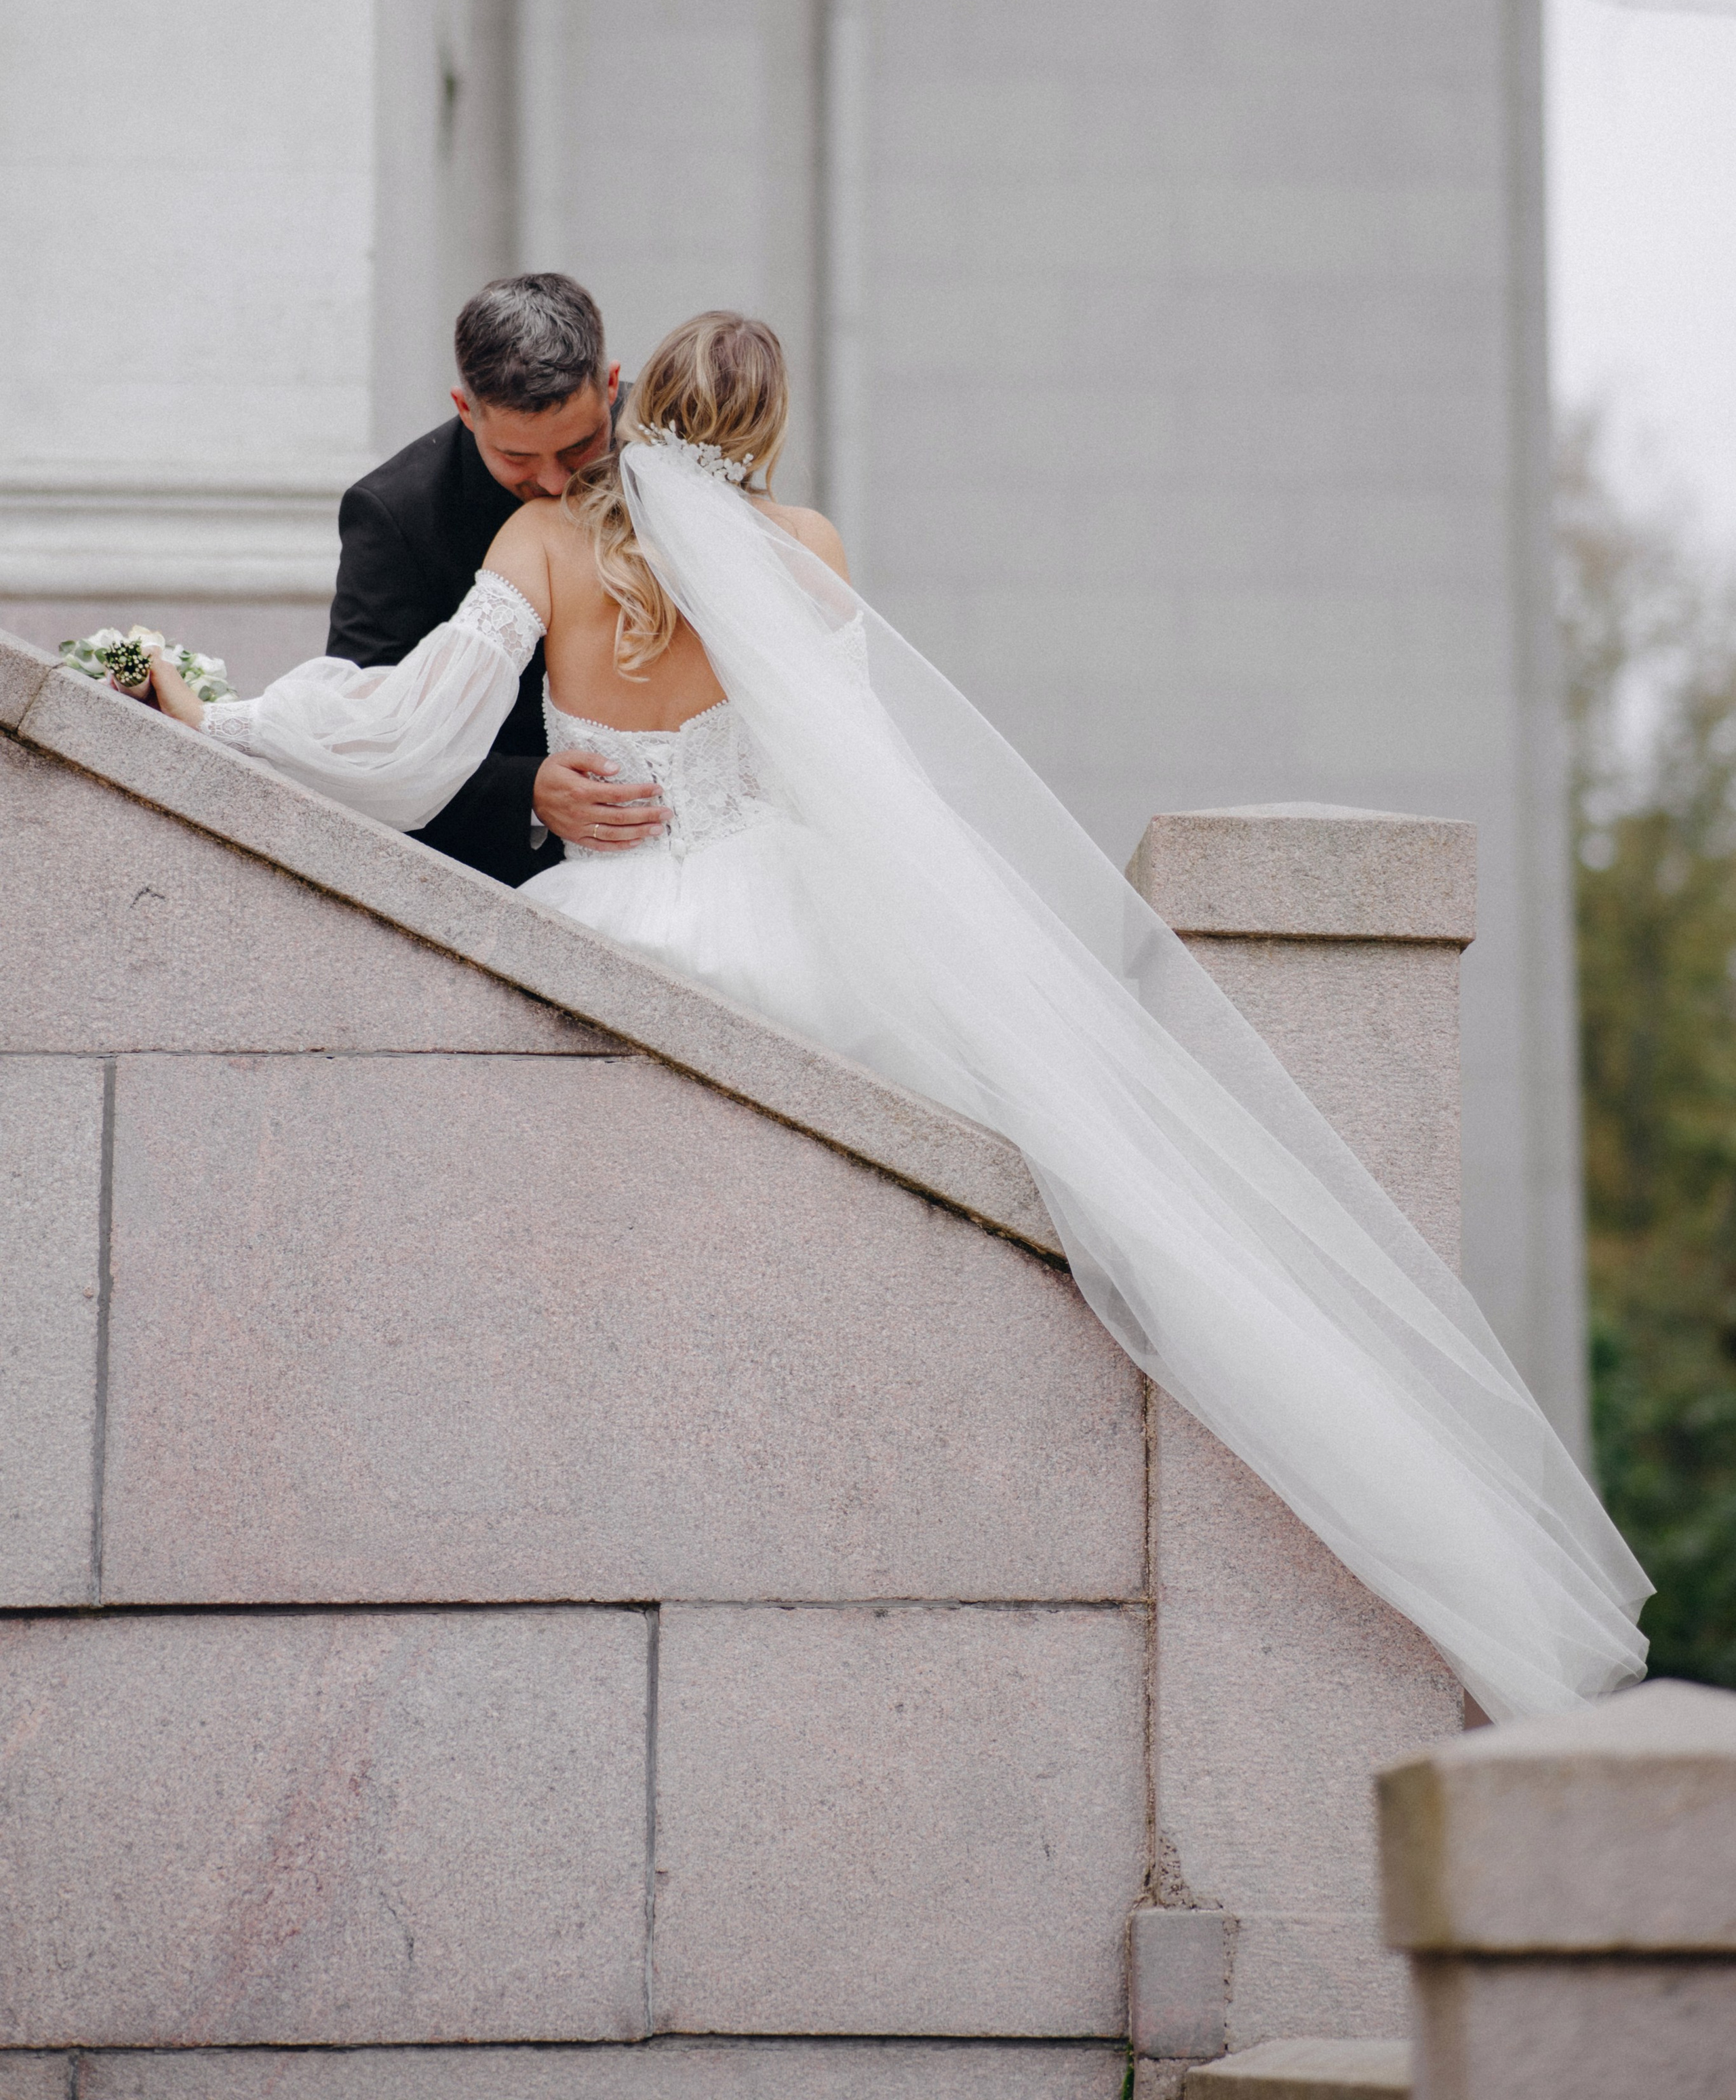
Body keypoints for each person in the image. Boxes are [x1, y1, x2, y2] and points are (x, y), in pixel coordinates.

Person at [135, 311, 1651, 1723]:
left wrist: (230, 725)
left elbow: (404, 723)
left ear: (625, 409)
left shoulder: (537, 540)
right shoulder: (802, 552)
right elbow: (844, 774)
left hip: (613, 912)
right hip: (780, 910)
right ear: (766, 436)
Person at [325, 272, 669, 886]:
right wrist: (526, 791)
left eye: (580, 447)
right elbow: (364, 734)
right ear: (465, 410)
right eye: (517, 458)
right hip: (504, 886)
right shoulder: (395, 514)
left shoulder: (675, 449)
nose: (557, 483)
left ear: (612, 385)